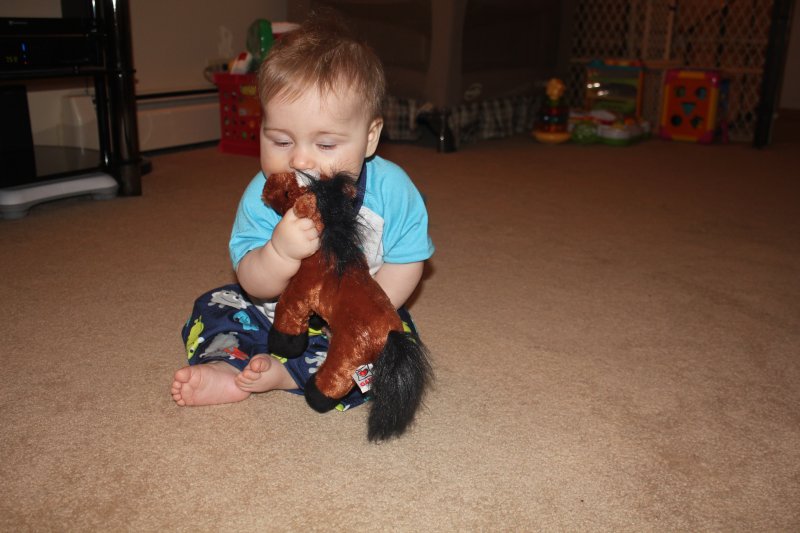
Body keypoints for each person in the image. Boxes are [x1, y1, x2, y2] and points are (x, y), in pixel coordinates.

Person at [170, 14, 434, 411]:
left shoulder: (395, 192)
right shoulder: (265, 195)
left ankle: (289, 375)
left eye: (325, 145)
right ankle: (227, 366)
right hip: (273, 312)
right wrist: (279, 252)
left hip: (353, 316)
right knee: (214, 307)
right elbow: (253, 282)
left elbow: (407, 262)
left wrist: (357, 315)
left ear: (370, 138)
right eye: (280, 141)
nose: (299, 160)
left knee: (395, 354)